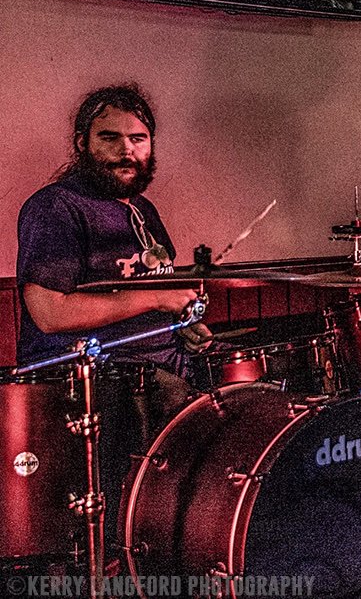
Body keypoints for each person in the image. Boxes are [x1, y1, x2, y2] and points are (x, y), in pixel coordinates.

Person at [15, 84, 211, 548]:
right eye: (110, 138)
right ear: (82, 142)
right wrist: (156, 301)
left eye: (139, 139)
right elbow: (49, 313)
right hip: (94, 389)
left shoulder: (142, 209)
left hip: (163, 368)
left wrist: (184, 325)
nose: (127, 150)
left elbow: (159, 294)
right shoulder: (56, 208)